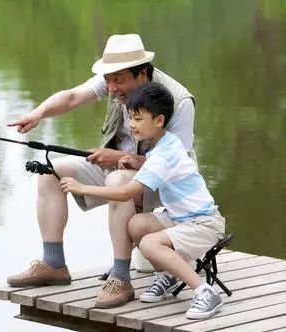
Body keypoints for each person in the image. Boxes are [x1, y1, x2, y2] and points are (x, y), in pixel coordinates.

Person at [6, 34, 195, 305]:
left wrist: (119, 157)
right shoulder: (113, 81)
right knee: (50, 171)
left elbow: (178, 167)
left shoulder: (180, 101)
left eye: (118, 80)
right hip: (116, 169)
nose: (112, 87)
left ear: (142, 74)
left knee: (118, 180)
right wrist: (37, 114)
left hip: (163, 183)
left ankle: (120, 278)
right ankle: (54, 263)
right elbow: (72, 97)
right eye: (108, 80)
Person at [60, 82, 226, 319]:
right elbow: (156, 164)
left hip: (203, 224)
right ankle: (168, 275)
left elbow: (126, 193)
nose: (131, 125)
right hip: (180, 218)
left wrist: (81, 187)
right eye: (130, 118)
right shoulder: (164, 143)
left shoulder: (164, 153)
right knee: (136, 225)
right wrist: (135, 161)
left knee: (149, 244)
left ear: (158, 120)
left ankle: (205, 292)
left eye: (138, 119)